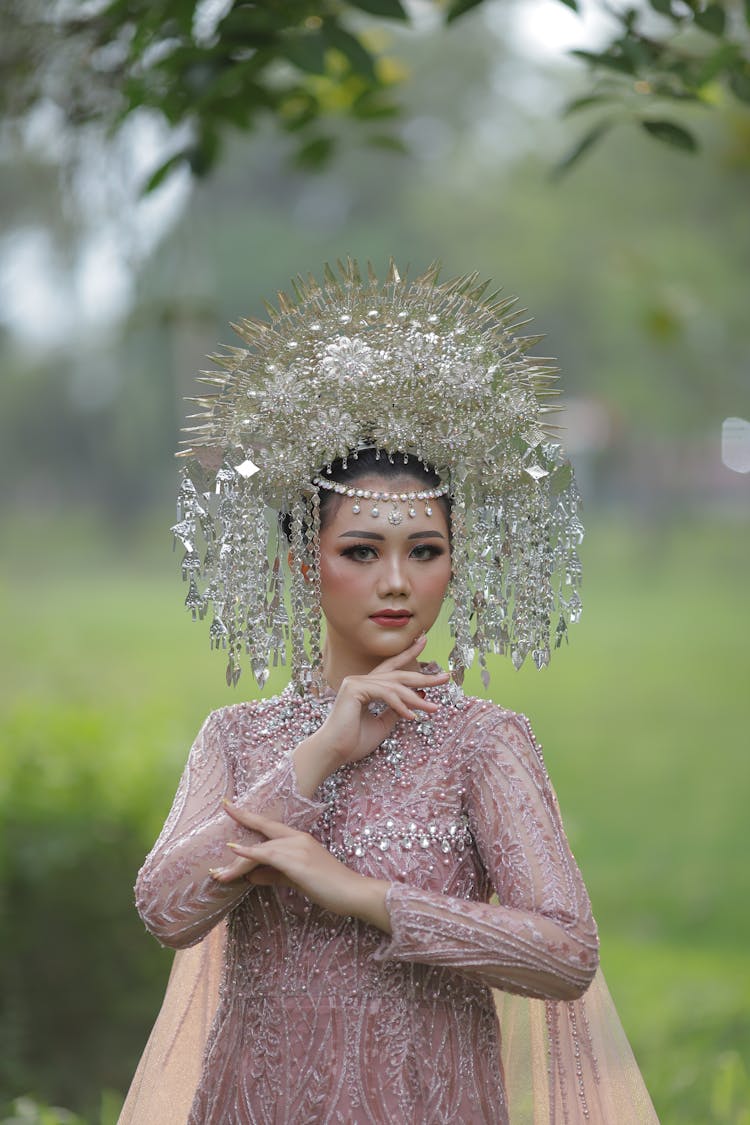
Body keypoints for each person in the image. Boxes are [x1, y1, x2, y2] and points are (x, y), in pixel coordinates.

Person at [119, 262, 658, 1124]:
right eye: (362, 551)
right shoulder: (240, 736)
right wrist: (319, 754)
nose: (398, 582)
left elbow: (565, 954)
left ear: (456, 562)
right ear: (306, 564)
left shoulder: (483, 741)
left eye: (427, 551)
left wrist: (358, 894)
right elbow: (168, 906)